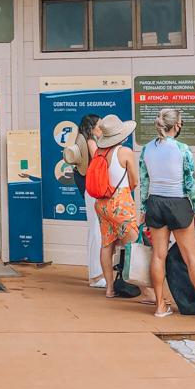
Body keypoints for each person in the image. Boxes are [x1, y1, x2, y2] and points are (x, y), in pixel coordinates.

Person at [140, 108, 195, 322]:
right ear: (176, 125)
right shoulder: (183, 149)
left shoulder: (146, 149)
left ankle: (159, 306)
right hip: (179, 203)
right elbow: (190, 183)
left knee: (158, 256)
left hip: (155, 203)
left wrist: (143, 209)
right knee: (191, 258)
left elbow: (144, 182)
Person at [90, 114, 140, 299]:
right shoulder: (125, 152)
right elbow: (134, 181)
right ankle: (148, 291)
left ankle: (110, 288)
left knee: (107, 245)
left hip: (101, 204)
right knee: (134, 244)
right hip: (120, 202)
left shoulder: (99, 152)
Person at [64, 114, 105, 288]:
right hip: (93, 187)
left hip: (86, 185)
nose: (102, 129)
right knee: (97, 230)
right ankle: (96, 276)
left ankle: (93, 273)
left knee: (93, 229)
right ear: (91, 127)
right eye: (99, 126)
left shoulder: (80, 138)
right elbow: (101, 163)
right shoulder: (91, 142)